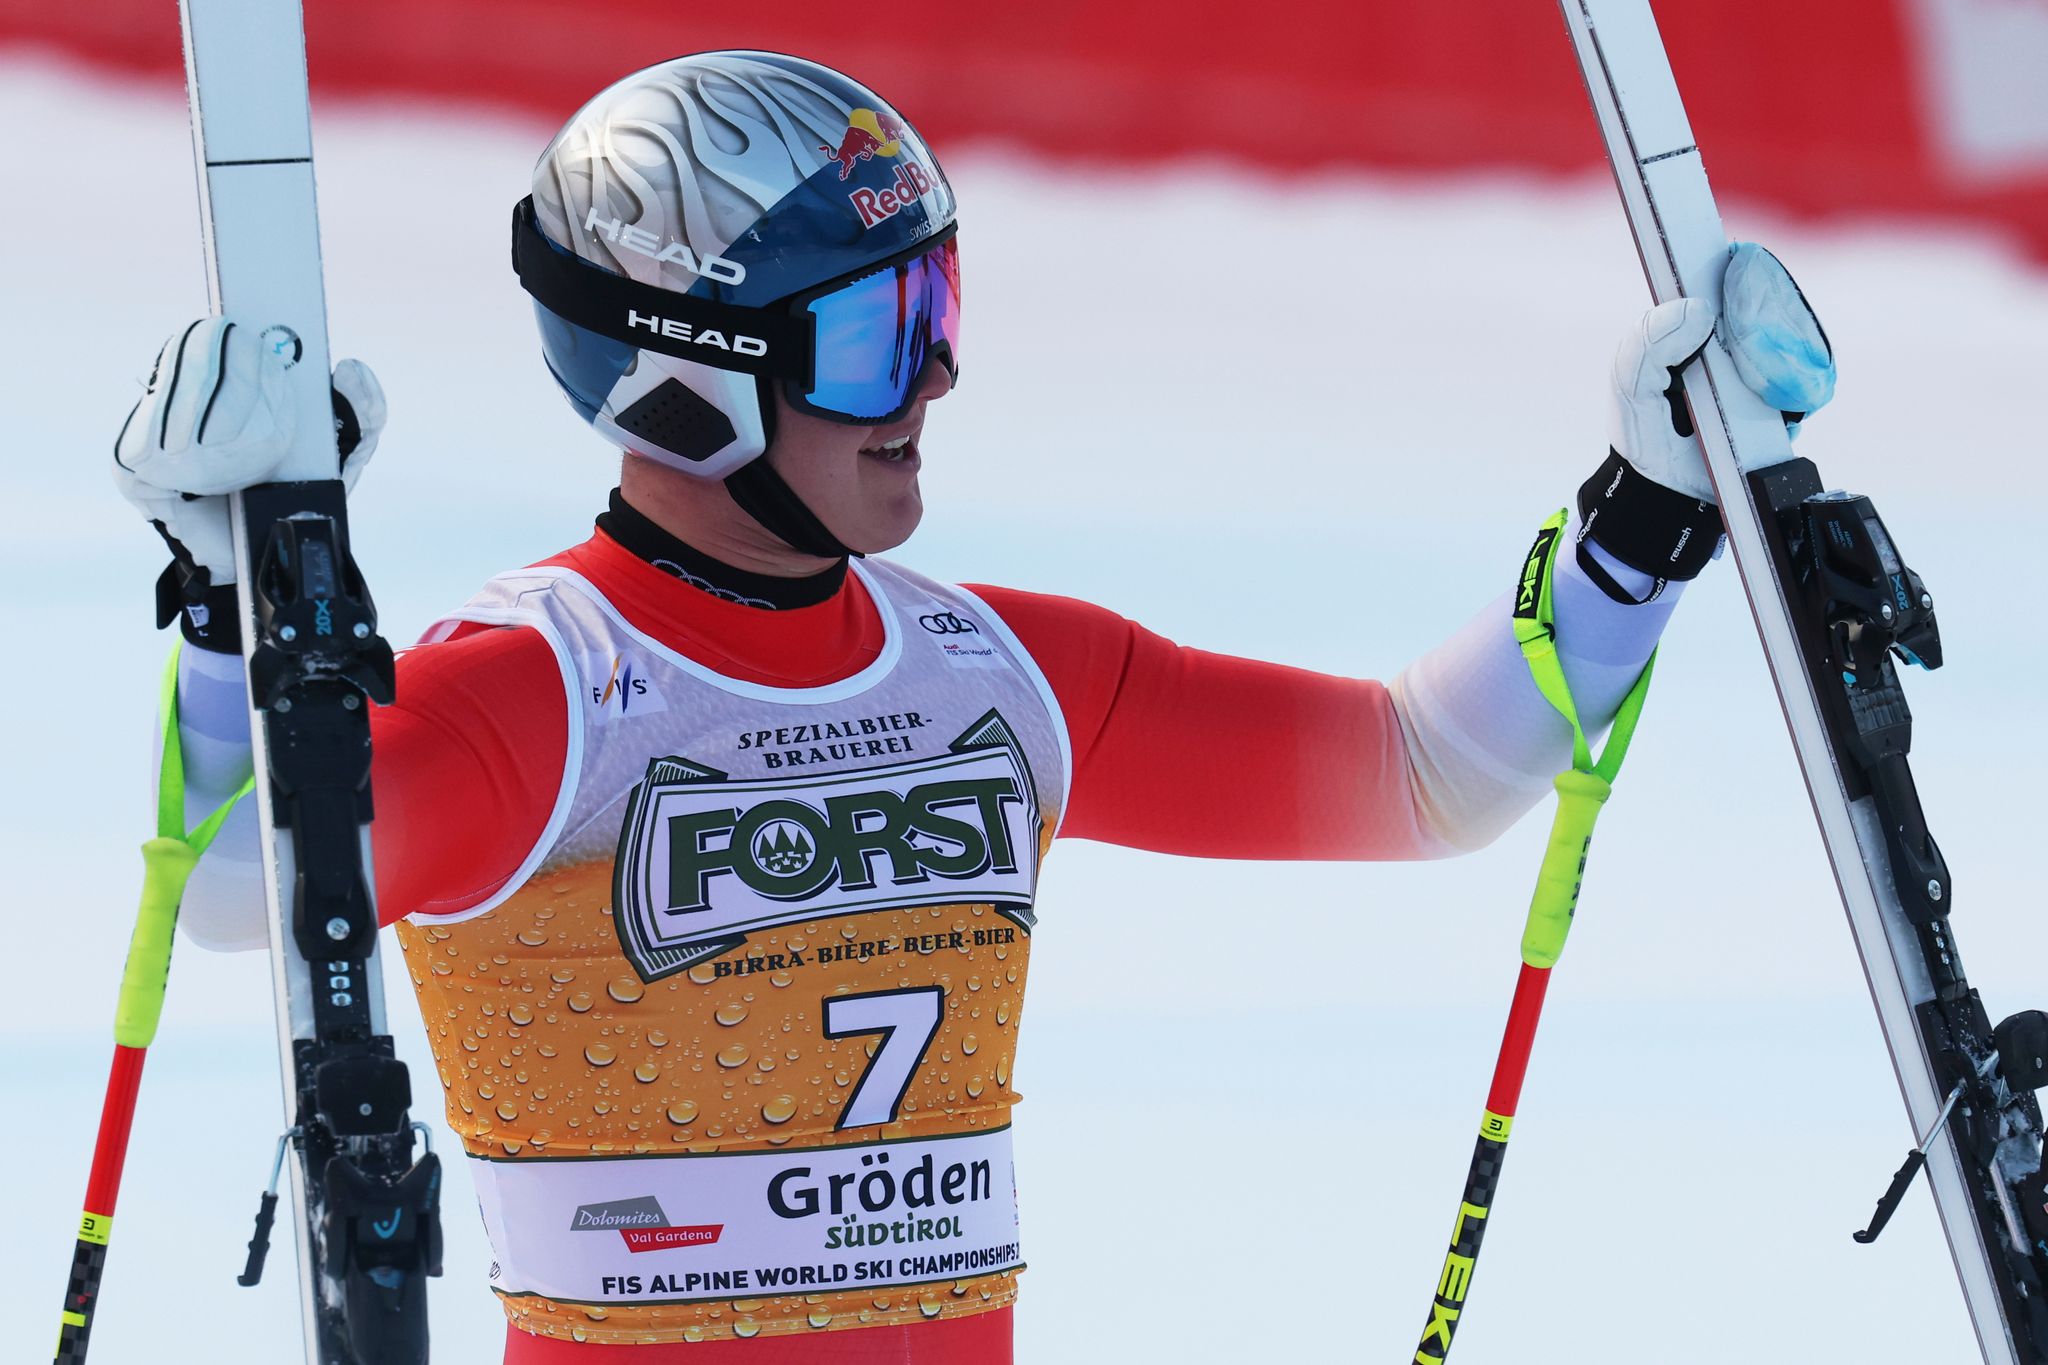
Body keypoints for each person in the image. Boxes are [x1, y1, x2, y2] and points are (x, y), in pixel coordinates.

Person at [110, 50, 1835, 1365]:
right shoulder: (545, 693)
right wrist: (227, 621)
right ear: (688, 379)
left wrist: (1638, 524)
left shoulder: (998, 675)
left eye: (937, 304)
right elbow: (248, 891)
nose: (935, 376)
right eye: (877, 334)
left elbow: (1416, 774)